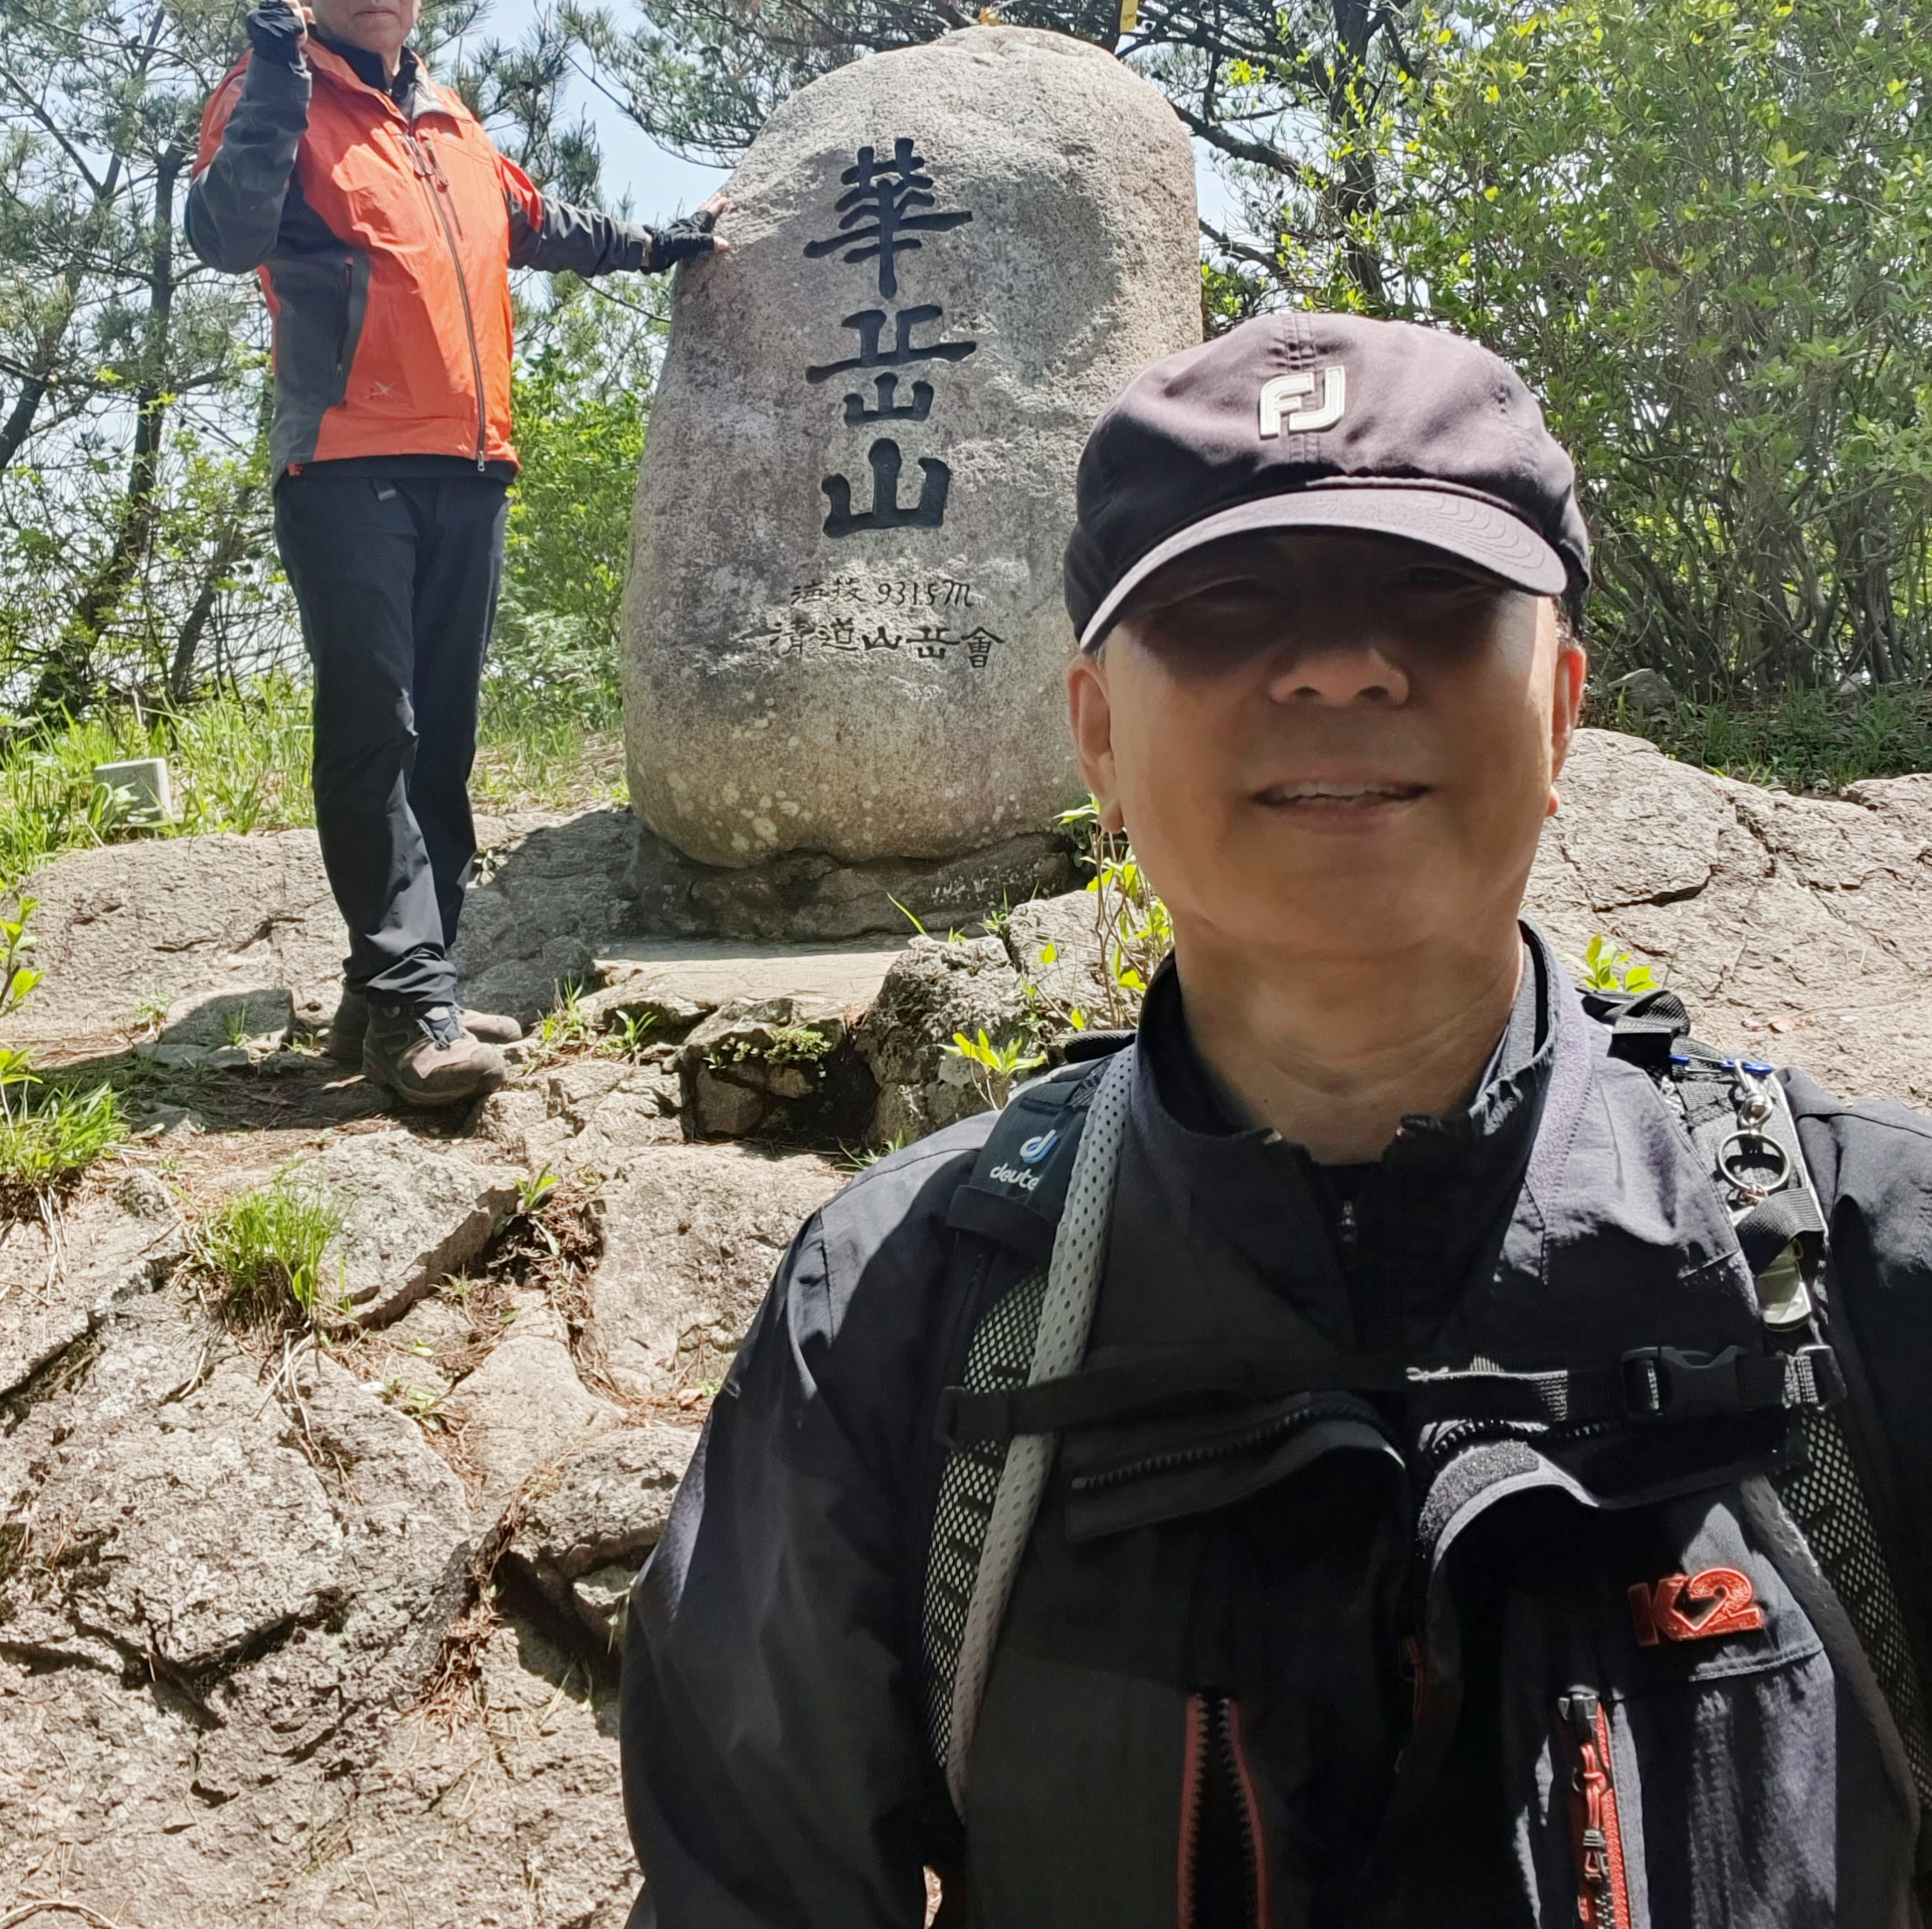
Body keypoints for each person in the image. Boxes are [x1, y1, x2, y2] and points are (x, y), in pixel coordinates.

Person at [621, 310, 1932, 1926]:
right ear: (1099, 733)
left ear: (1561, 707)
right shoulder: (894, 1320)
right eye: (1231, 602)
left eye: (1434, 589)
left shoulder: (1863, 1273)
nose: (1340, 664)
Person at [188, 0, 721, 1111]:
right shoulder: (272, 95)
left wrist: (662, 243)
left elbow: (536, 222)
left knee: (443, 738)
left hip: (471, 464)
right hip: (346, 464)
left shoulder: (448, 121)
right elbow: (226, 234)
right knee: (376, 730)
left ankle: (390, 990)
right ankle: (414, 1001)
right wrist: (274, 78)